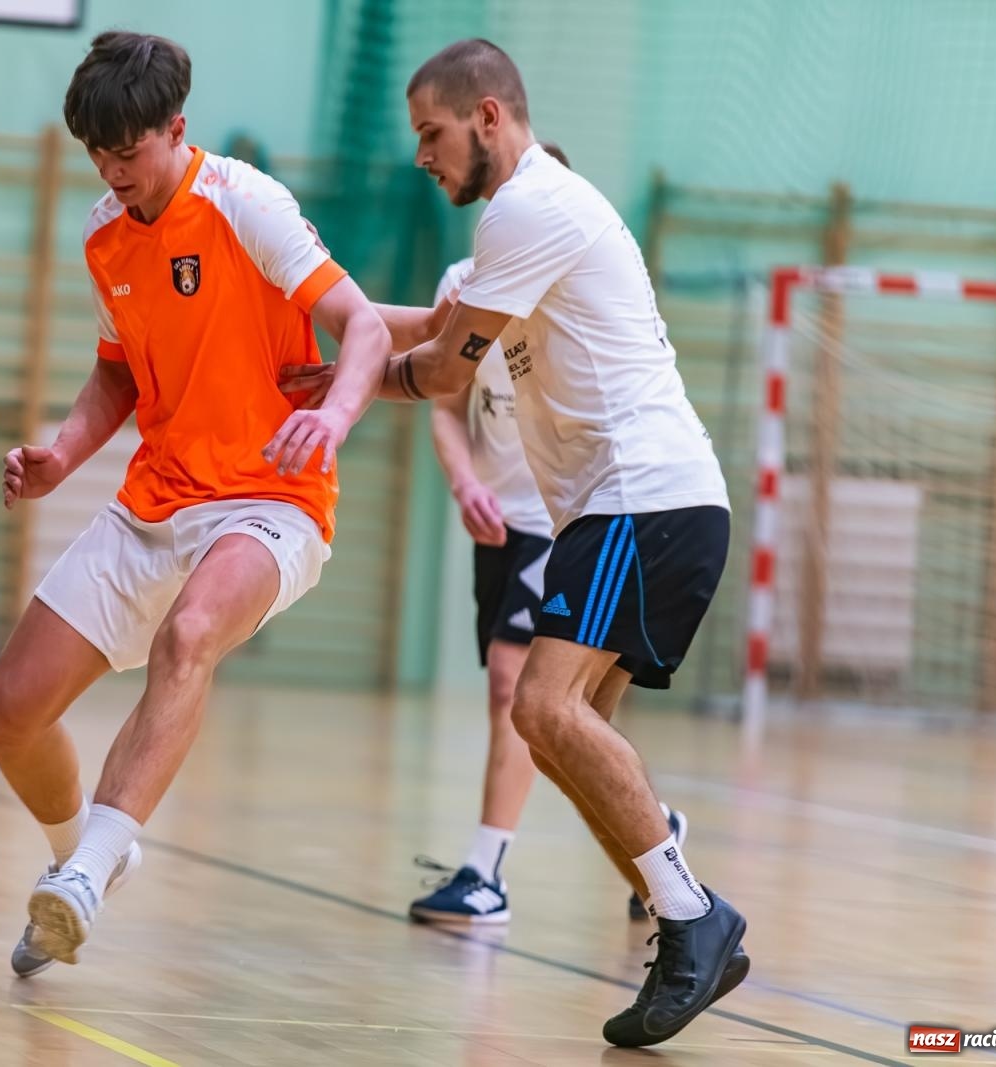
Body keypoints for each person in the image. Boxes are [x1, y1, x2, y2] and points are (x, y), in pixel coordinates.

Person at [284, 39, 746, 1048]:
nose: (422, 157)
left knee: (538, 705)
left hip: (643, 502)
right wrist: (341, 337)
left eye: (432, 135)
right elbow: (440, 326)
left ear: (488, 117)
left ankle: (693, 916)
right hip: (636, 509)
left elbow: (444, 372)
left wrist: (352, 385)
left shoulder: (530, 207)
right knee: (576, 746)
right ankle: (682, 907)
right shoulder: (519, 227)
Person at [0, 30, 391, 977]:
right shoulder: (102, 235)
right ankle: (81, 860)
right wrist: (61, 454)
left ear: (177, 128)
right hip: (155, 502)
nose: (114, 171)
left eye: (129, 151)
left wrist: (330, 418)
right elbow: (117, 376)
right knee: (7, 709)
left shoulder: (246, 204)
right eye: (98, 154)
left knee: (190, 634)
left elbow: (362, 325)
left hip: (269, 498)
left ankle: (83, 877)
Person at [409, 144, 691, 928]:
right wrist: (463, 479)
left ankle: (486, 870)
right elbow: (442, 400)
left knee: (519, 689)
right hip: (494, 520)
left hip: (561, 520)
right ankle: (655, 842)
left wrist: (366, 369)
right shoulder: (464, 290)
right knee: (571, 717)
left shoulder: (570, 285)